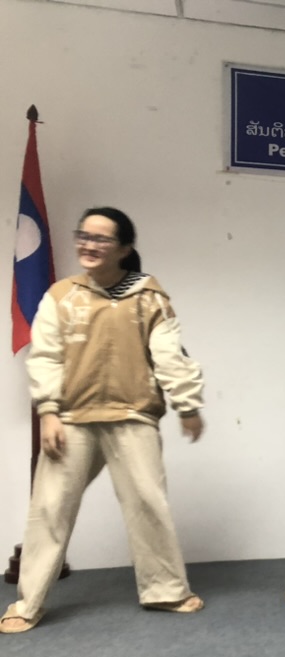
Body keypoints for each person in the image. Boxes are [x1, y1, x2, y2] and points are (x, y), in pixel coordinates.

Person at [1, 207, 205, 634]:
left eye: (101, 239)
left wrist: (187, 405)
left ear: (124, 248)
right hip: (71, 419)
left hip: (133, 415)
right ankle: (28, 601)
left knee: (148, 503)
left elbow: (169, 354)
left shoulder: (149, 296)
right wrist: (49, 411)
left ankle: (165, 590)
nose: (89, 245)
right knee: (49, 508)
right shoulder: (61, 295)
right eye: (84, 236)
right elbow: (45, 356)